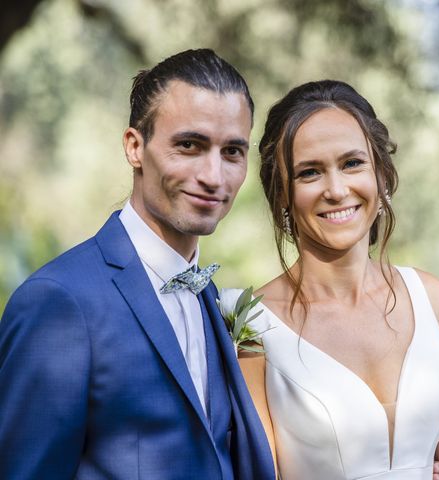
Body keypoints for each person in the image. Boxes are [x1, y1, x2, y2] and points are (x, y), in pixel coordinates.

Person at [0, 49, 275, 479]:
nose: (214, 176)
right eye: (189, 145)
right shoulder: (59, 301)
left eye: (232, 152)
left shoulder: (213, 299)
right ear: (134, 147)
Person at [234, 80, 439, 479]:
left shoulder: (429, 296)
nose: (336, 190)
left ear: (381, 175)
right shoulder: (250, 323)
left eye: (352, 163)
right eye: (310, 172)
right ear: (282, 193)